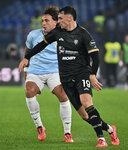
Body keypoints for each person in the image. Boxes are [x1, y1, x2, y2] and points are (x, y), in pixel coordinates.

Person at [19, 6, 120, 147]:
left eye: (60, 18)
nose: (58, 21)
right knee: (85, 115)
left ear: (69, 18)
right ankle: (110, 129)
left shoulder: (83, 34)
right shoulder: (57, 33)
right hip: (65, 78)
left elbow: (95, 57)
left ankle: (100, 139)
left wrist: (92, 74)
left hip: (81, 74)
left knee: (87, 103)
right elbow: (40, 45)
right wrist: (27, 58)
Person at [23, 6, 73, 142]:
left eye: (46, 21)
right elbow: (28, 51)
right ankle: (39, 126)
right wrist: (26, 68)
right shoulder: (33, 35)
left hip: (55, 72)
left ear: (56, 22)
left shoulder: (63, 36)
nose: (43, 23)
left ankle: (67, 133)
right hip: (35, 71)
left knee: (63, 95)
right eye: (42, 21)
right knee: (29, 91)